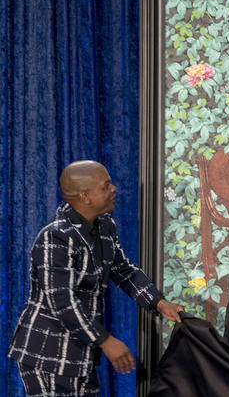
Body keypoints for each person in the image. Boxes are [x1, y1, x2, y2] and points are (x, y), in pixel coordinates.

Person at [8, 160, 183, 396]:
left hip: (81, 353)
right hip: (47, 353)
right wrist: (105, 340)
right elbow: (62, 303)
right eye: (106, 186)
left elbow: (124, 270)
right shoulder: (56, 237)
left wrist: (159, 303)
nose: (114, 190)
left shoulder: (105, 226)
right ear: (85, 196)